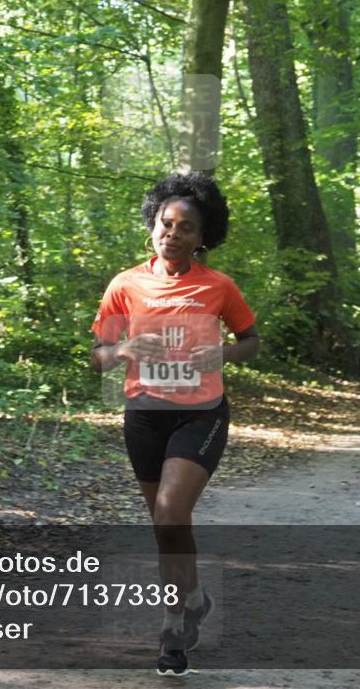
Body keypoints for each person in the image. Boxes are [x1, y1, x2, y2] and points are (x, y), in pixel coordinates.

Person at [90, 171, 260, 677]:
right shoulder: (125, 285)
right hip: (144, 416)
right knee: (167, 528)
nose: (174, 233)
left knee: (169, 512)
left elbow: (251, 340)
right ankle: (194, 599)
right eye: (167, 223)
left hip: (200, 414)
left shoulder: (218, 287)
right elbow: (98, 357)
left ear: (202, 237)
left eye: (187, 227)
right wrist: (124, 348)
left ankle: (173, 628)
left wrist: (223, 353)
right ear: (153, 225)